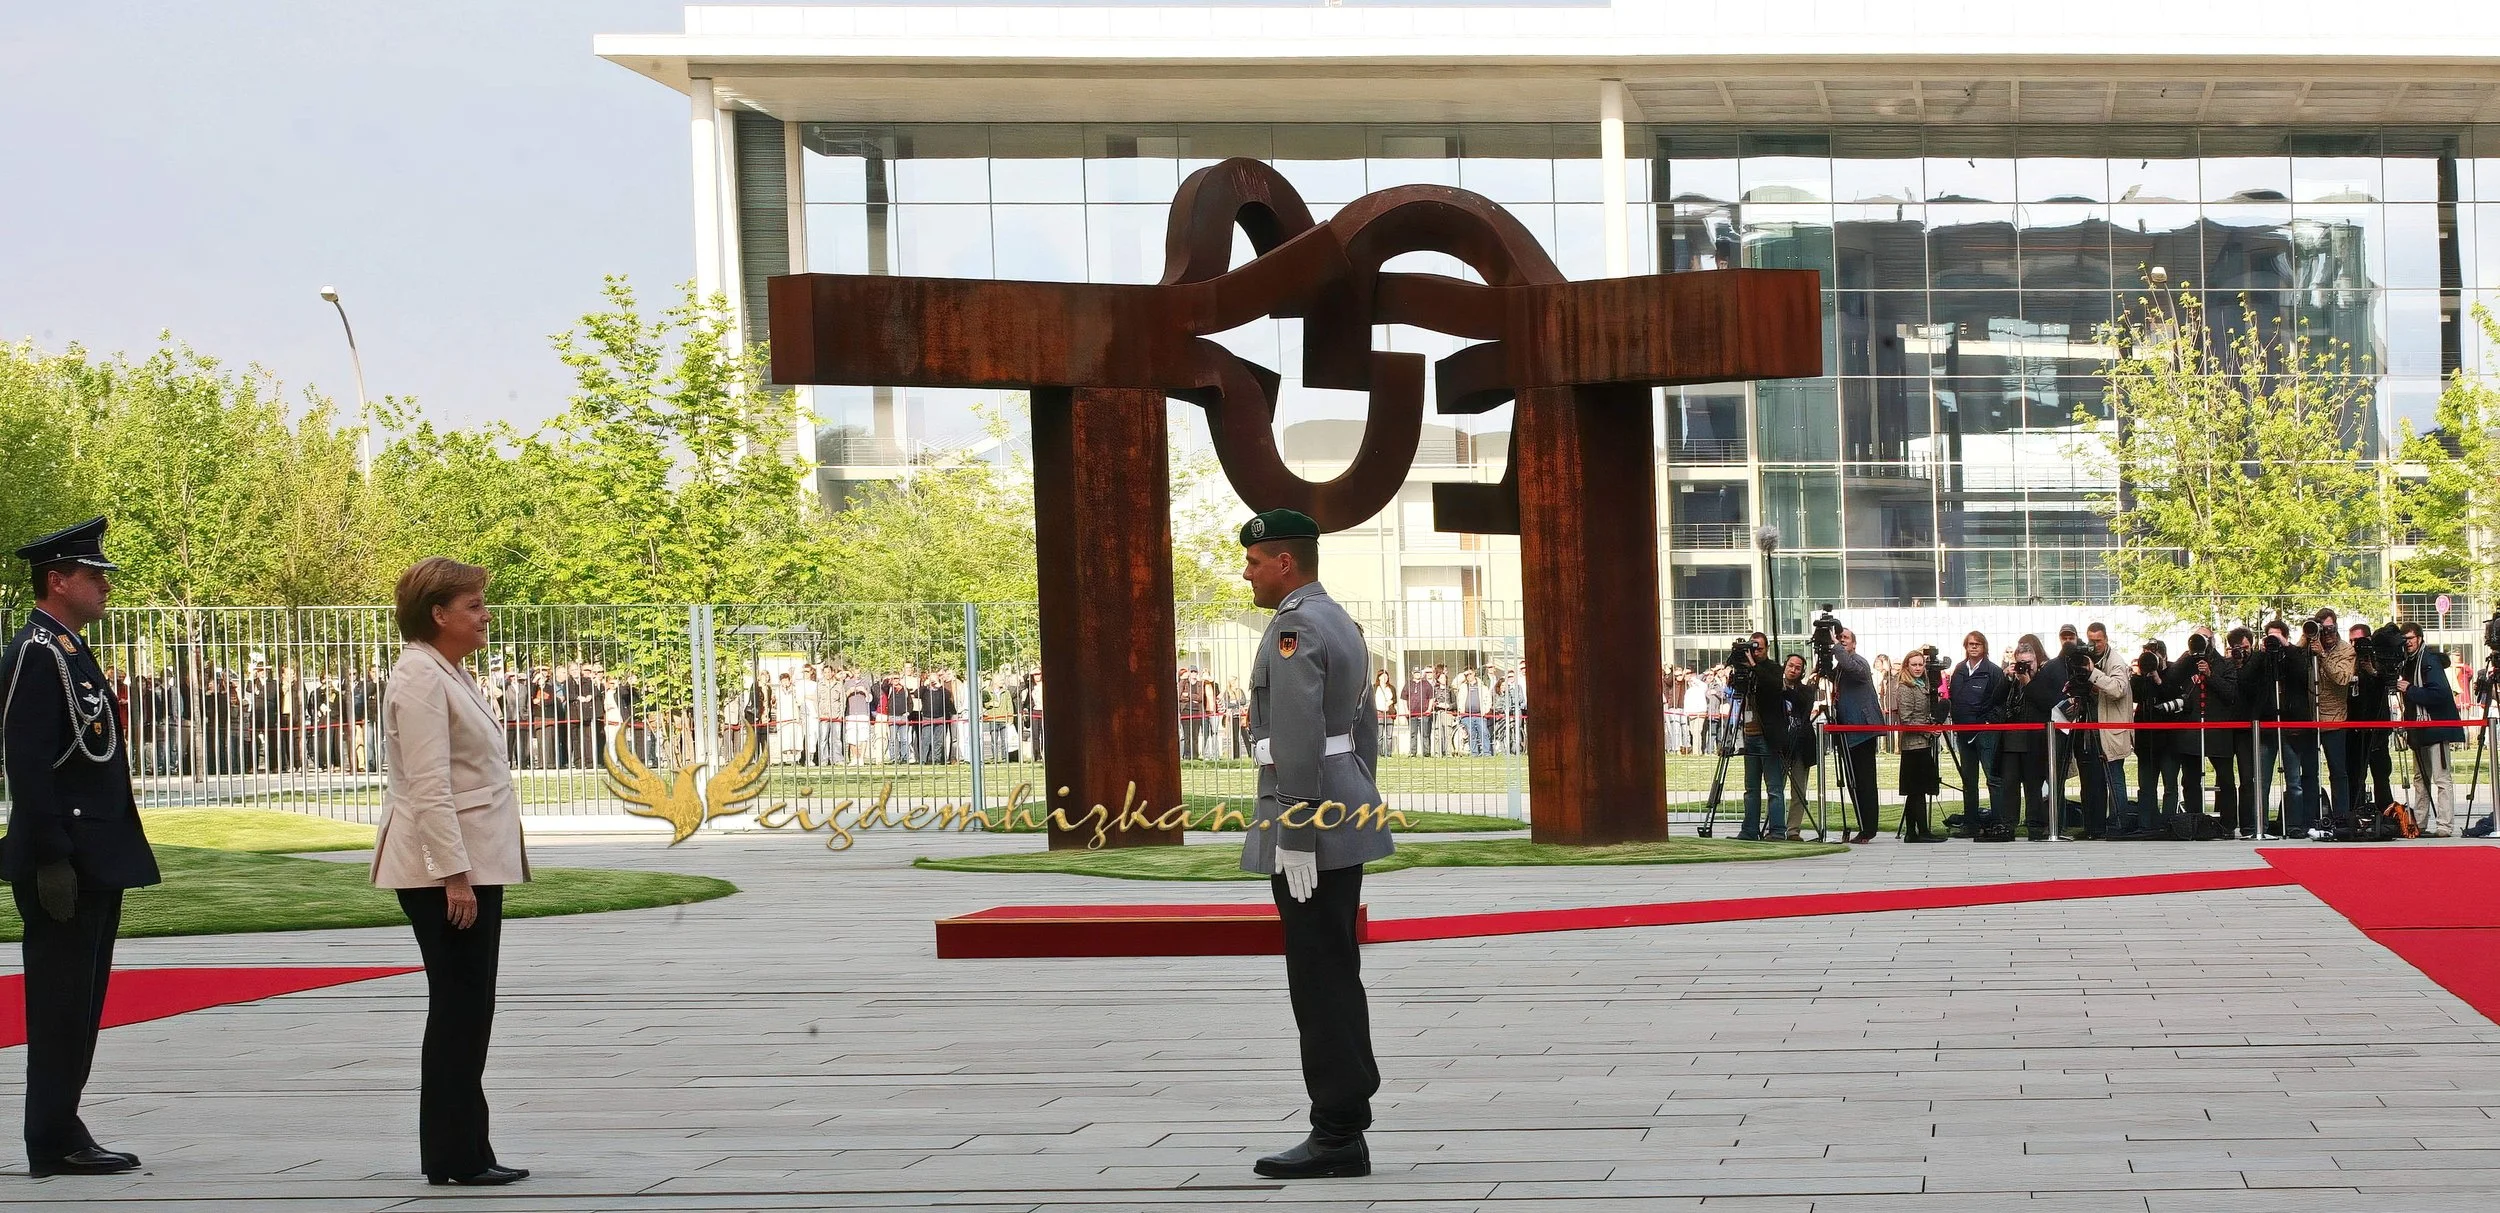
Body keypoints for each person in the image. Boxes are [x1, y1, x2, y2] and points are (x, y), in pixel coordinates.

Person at [1235, 509, 1393, 1181]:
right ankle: (1344, 1117)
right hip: (1343, 807)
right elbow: (1366, 733)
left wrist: (1296, 833)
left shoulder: (1295, 626)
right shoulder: (1341, 621)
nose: (1246, 572)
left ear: (1284, 563)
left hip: (1307, 819)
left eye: (1253, 561)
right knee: (1335, 964)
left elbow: (1296, 737)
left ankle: (1335, 1131)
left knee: (1318, 973)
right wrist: (1354, 802)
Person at [2, 518, 161, 1178]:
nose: (103, 586)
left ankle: (62, 1124)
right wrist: (50, 858)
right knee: (63, 1003)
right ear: (56, 579)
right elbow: (29, 764)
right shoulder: (39, 653)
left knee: (80, 1003)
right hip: (66, 856)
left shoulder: (64, 648)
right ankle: (52, 1134)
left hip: (93, 853)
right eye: (91, 574)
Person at [372, 557, 532, 1188]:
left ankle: (470, 1145)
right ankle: (451, 1155)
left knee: (471, 1006)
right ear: (438, 614)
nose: (484, 615)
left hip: (465, 861)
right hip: (442, 868)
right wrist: (454, 875)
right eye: (473, 606)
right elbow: (429, 785)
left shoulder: (448, 672)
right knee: (460, 1006)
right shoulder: (418, 675)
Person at [2398, 622, 2467, 836]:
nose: (2407, 643)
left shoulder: (2429, 661)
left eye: (2410, 638)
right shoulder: (2407, 662)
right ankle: (2420, 823)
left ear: (2419, 638)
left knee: (2441, 777)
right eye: (2404, 639)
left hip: (2435, 727)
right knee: (2420, 778)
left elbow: (2439, 694)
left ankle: (2445, 825)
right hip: (2419, 728)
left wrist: (2410, 689)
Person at [1882, 649, 1950, 842]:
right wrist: (1927, 730)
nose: (1918, 668)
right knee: (1916, 789)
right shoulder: (1905, 687)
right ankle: (1922, 832)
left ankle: (1912, 832)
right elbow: (1906, 719)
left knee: (1916, 789)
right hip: (1913, 744)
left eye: (1921, 664)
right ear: (1907, 666)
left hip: (1922, 742)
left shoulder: (1922, 684)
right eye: (1914, 664)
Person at [1994, 634, 2056, 840]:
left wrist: (2028, 682)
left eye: (2029, 663)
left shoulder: (2044, 678)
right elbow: (1995, 700)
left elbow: (2047, 703)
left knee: (2033, 785)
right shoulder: (2011, 680)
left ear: (2036, 661)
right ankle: (2008, 825)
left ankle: (2035, 827)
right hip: (2011, 740)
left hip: (2034, 741)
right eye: (2021, 664)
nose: (2025, 668)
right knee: (2009, 784)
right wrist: (2006, 678)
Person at [1826, 627, 1883, 844]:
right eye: (1839, 638)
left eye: (1845, 638)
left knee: (1865, 780)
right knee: (1853, 780)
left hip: (1862, 730)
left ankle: (1869, 828)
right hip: (1847, 730)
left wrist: (1835, 647)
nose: (1841, 641)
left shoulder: (1859, 662)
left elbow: (1851, 668)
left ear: (1854, 644)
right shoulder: (1841, 668)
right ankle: (1863, 824)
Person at [1945, 631, 2005, 837]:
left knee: (1993, 778)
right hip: (1963, 731)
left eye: (1977, 644)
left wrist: (1988, 722)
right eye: (1970, 644)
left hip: (1986, 732)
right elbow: (1953, 697)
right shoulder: (1959, 670)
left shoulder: (1994, 671)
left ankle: (1998, 822)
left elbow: (2000, 702)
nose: (1973, 647)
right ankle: (1970, 824)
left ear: (1984, 647)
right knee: (1968, 780)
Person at [1731, 642, 1788, 842]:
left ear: (1767, 649)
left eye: (1759, 649)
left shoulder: (1772, 668)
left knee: (1774, 787)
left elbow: (1773, 686)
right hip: (1750, 734)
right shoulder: (1745, 669)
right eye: (1752, 649)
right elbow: (1734, 686)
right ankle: (1749, 830)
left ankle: (1778, 830)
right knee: (1751, 788)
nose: (1755, 653)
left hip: (1768, 736)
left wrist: (1754, 666)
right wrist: (1737, 661)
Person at [2347, 623, 2395, 812]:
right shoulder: (2348, 660)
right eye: (2351, 641)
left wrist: (2373, 671)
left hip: (2378, 728)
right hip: (2354, 728)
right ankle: (2355, 812)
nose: (2355, 645)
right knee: (2355, 774)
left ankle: (2386, 812)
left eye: (2359, 641)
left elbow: (2388, 681)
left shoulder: (2379, 659)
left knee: (2381, 774)